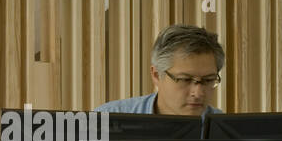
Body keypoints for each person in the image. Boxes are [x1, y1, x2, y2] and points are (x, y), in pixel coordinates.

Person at [95, 24, 226, 116]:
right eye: (185, 79)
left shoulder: (228, 133)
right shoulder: (106, 121)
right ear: (157, 75)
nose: (198, 93)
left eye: (208, 80)